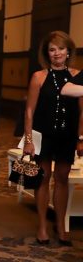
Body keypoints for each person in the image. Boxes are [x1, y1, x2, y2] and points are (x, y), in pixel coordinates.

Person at [23, 31, 83, 246]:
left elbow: (82, 110)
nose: (57, 53)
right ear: (47, 53)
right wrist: (29, 139)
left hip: (67, 137)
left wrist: (80, 138)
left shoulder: (78, 75)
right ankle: (41, 226)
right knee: (43, 178)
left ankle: (60, 225)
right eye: (52, 49)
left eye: (61, 48)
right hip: (43, 136)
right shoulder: (39, 76)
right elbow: (29, 110)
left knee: (62, 179)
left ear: (68, 51)